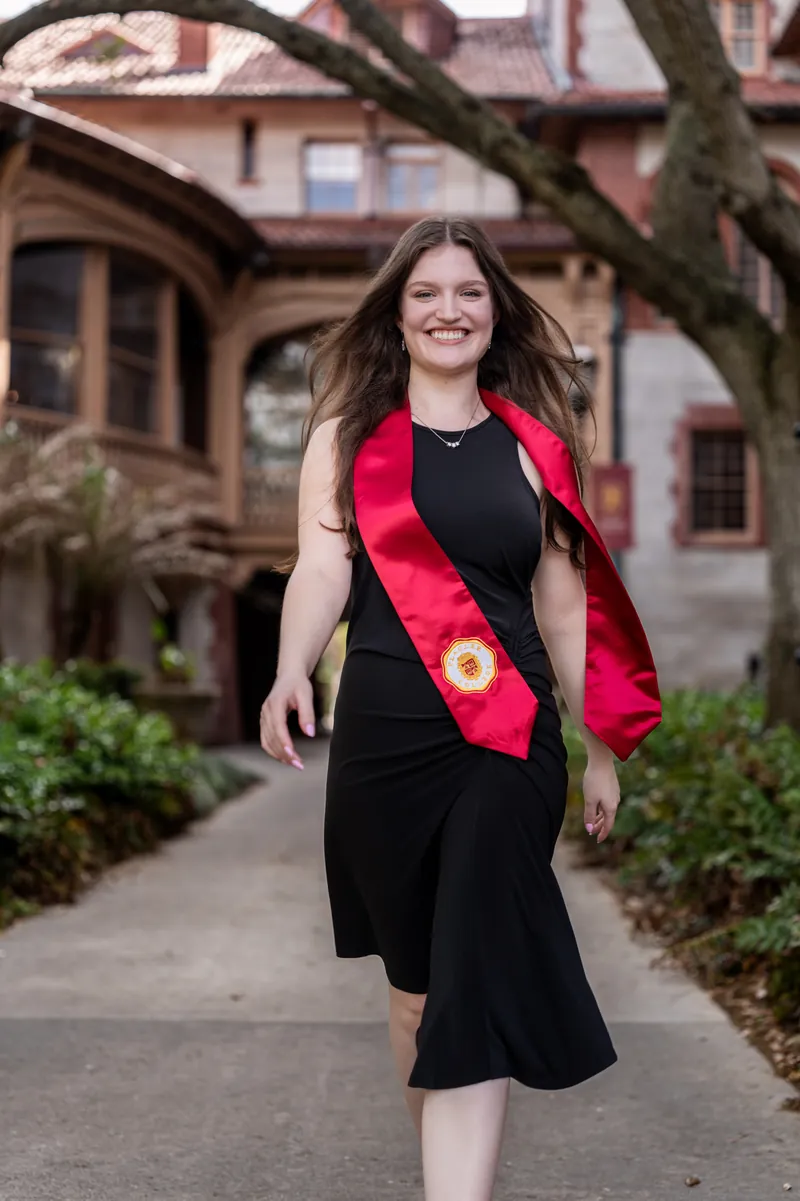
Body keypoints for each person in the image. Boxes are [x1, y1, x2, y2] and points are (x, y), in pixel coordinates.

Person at [259, 216, 661, 1201]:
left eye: (468, 293)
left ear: (495, 313)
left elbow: (563, 604)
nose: (448, 310)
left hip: (504, 736)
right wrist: (288, 669)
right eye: (426, 293)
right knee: (415, 1000)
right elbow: (322, 567)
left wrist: (598, 741)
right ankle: (443, 1170)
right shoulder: (347, 440)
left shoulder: (534, 445)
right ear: (397, 316)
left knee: (472, 980)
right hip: (384, 738)